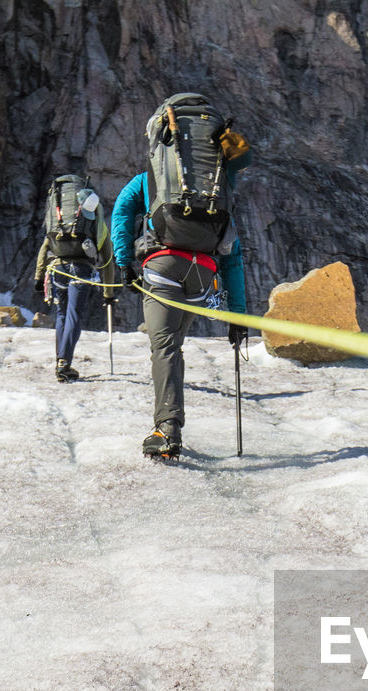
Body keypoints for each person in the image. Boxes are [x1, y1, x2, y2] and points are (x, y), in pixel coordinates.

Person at [111, 95, 250, 458]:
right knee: (175, 344)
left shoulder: (149, 181)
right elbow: (233, 254)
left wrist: (124, 262)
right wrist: (238, 317)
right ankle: (169, 422)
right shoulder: (218, 194)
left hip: (163, 269)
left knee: (166, 348)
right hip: (203, 276)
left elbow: (122, 213)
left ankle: (167, 428)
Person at [34, 174, 117, 382]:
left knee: (61, 314)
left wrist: (38, 277)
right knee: (74, 314)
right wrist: (108, 293)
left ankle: (60, 362)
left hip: (57, 267)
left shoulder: (57, 217)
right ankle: (65, 363)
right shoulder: (94, 219)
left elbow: (46, 246)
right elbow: (107, 258)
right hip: (81, 269)